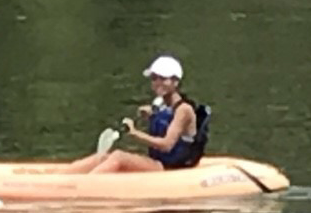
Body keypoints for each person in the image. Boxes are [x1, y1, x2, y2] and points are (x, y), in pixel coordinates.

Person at [63, 55, 208, 174]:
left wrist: (135, 134)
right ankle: (61, 176)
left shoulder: (184, 110)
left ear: (175, 82)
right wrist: (152, 115)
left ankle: (81, 185)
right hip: (158, 163)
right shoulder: (161, 104)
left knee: (119, 156)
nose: (158, 83)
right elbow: (163, 117)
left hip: (170, 168)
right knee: (104, 157)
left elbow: (166, 145)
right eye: (154, 78)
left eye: (163, 79)